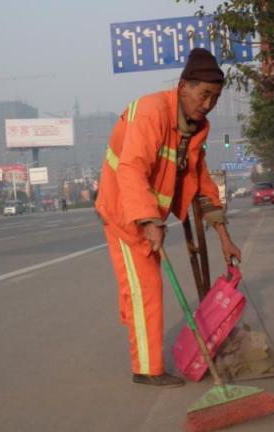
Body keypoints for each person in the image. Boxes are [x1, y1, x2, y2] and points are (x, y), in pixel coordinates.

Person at [95, 48, 242, 388]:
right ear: (182, 87)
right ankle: (147, 369)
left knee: (141, 290)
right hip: (123, 213)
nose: (207, 104)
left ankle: (141, 340)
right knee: (147, 289)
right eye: (203, 95)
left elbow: (201, 182)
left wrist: (224, 237)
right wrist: (148, 220)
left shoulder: (195, 128)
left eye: (215, 98)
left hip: (147, 215)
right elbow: (131, 169)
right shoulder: (151, 113)